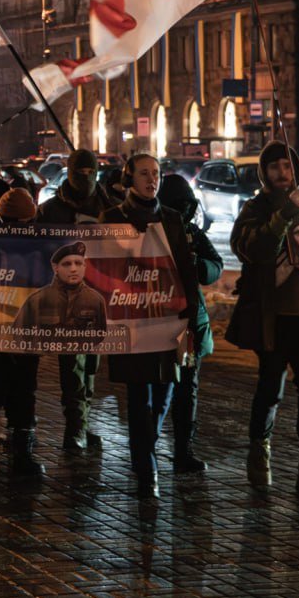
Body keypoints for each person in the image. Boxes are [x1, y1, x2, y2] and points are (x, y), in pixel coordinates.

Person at [227, 140, 299, 499]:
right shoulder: (255, 208)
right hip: (272, 316)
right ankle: (259, 453)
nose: (283, 173)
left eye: (288, 166)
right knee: (270, 388)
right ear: (264, 172)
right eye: (275, 167)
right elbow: (253, 249)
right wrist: (283, 214)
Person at [101, 154, 200, 498]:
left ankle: (145, 450)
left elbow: (185, 270)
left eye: (156, 173)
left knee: (164, 392)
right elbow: (102, 268)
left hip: (167, 317)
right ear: (129, 178)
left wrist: (191, 316)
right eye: (143, 173)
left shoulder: (171, 219)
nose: (151, 179)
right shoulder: (113, 218)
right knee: (139, 395)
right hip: (131, 320)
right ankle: (147, 469)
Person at [37, 148, 115, 454]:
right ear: (68, 174)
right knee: (72, 365)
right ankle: (75, 427)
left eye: (89, 173)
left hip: (98, 297)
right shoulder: (51, 210)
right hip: (64, 299)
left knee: (91, 364)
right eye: (78, 173)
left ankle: (83, 421)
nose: (84, 178)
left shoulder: (109, 208)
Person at [0, 186, 45, 480]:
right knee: (2, 390)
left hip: (20, 332)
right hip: (1, 332)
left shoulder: (33, 247)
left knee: (15, 391)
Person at [156, 173, 224, 474]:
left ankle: (184, 450)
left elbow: (215, 265)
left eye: (187, 206)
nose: (183, 211)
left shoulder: (192, 233)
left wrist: (197, 265)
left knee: (186, 388)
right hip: (157, 319)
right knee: (159, 389)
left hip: (188, 324)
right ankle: (149, 447)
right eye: (177, 205)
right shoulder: (151, 232)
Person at [11, 241, 108, 332]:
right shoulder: (37, 300)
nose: (73, 269)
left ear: (84, 266)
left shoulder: (95, 300)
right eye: (67, 264)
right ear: (55, 268)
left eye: (78, 263)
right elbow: (18, 334)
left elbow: (101, 335)